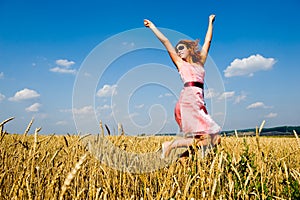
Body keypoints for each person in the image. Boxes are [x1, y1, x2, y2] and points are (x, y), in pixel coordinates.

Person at [144, 14, 221, 159]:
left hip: (198, 101)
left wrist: (210, 22)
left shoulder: (200, 62)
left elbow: (208, 41)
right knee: (209, 139)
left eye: (181, 48)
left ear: (189, 49)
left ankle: (183, 160)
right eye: (177, 50)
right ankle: (170, 145)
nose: (179, 51)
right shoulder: (180, 64)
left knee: (212, 139)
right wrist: (152, 27)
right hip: (188, 100)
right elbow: (166, 41)